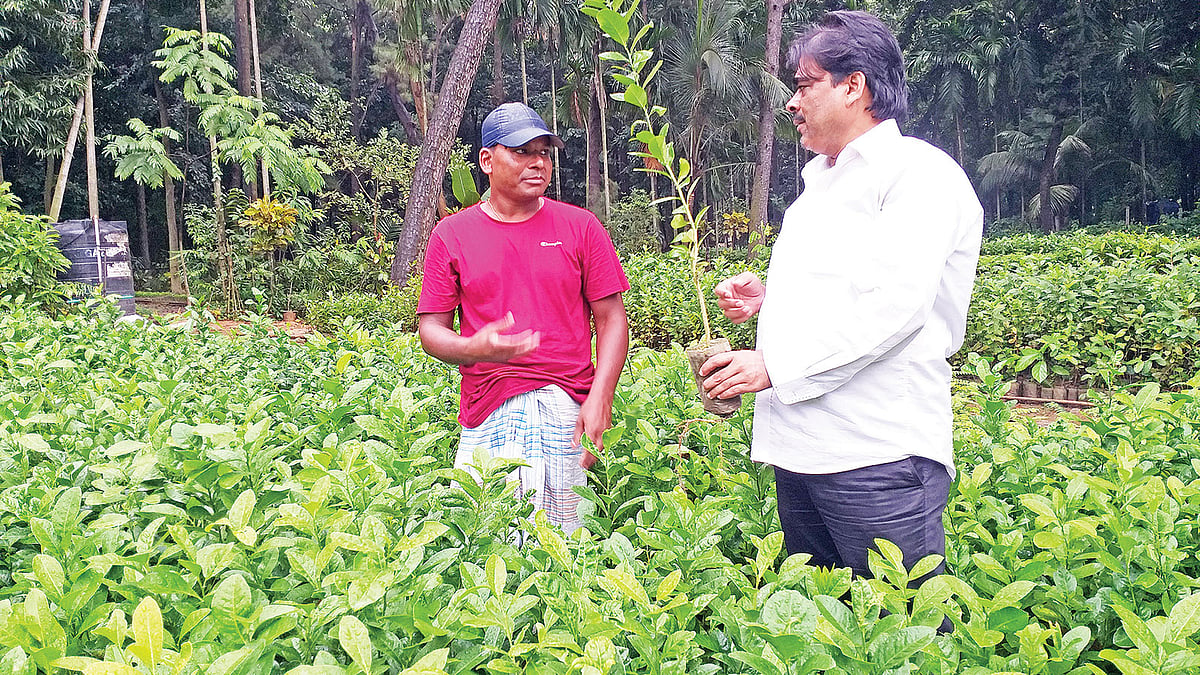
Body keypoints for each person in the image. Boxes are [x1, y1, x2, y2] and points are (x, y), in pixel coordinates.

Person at [699, 10, 983, 580]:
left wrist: (773, 364)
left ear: (854, 86)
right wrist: (769, 296)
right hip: (801, 451)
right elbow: (849, 286)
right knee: (829, 631)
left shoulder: (918, 176)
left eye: (804, 84)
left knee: (906, 636)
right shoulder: (819, 185)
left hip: (875, 454)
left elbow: (894, 307)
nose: (792, 101)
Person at [417, 102, 630, 534]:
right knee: (489, 546)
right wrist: (471, 349)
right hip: (487, 410)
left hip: (566, 408)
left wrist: (599, 398)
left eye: (545, 153)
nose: (537, 163)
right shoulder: (451, 235)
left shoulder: (581, 227)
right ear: (487, 160)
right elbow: (431, 329)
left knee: (567, 551)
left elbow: (612, 321)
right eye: (521, 151)